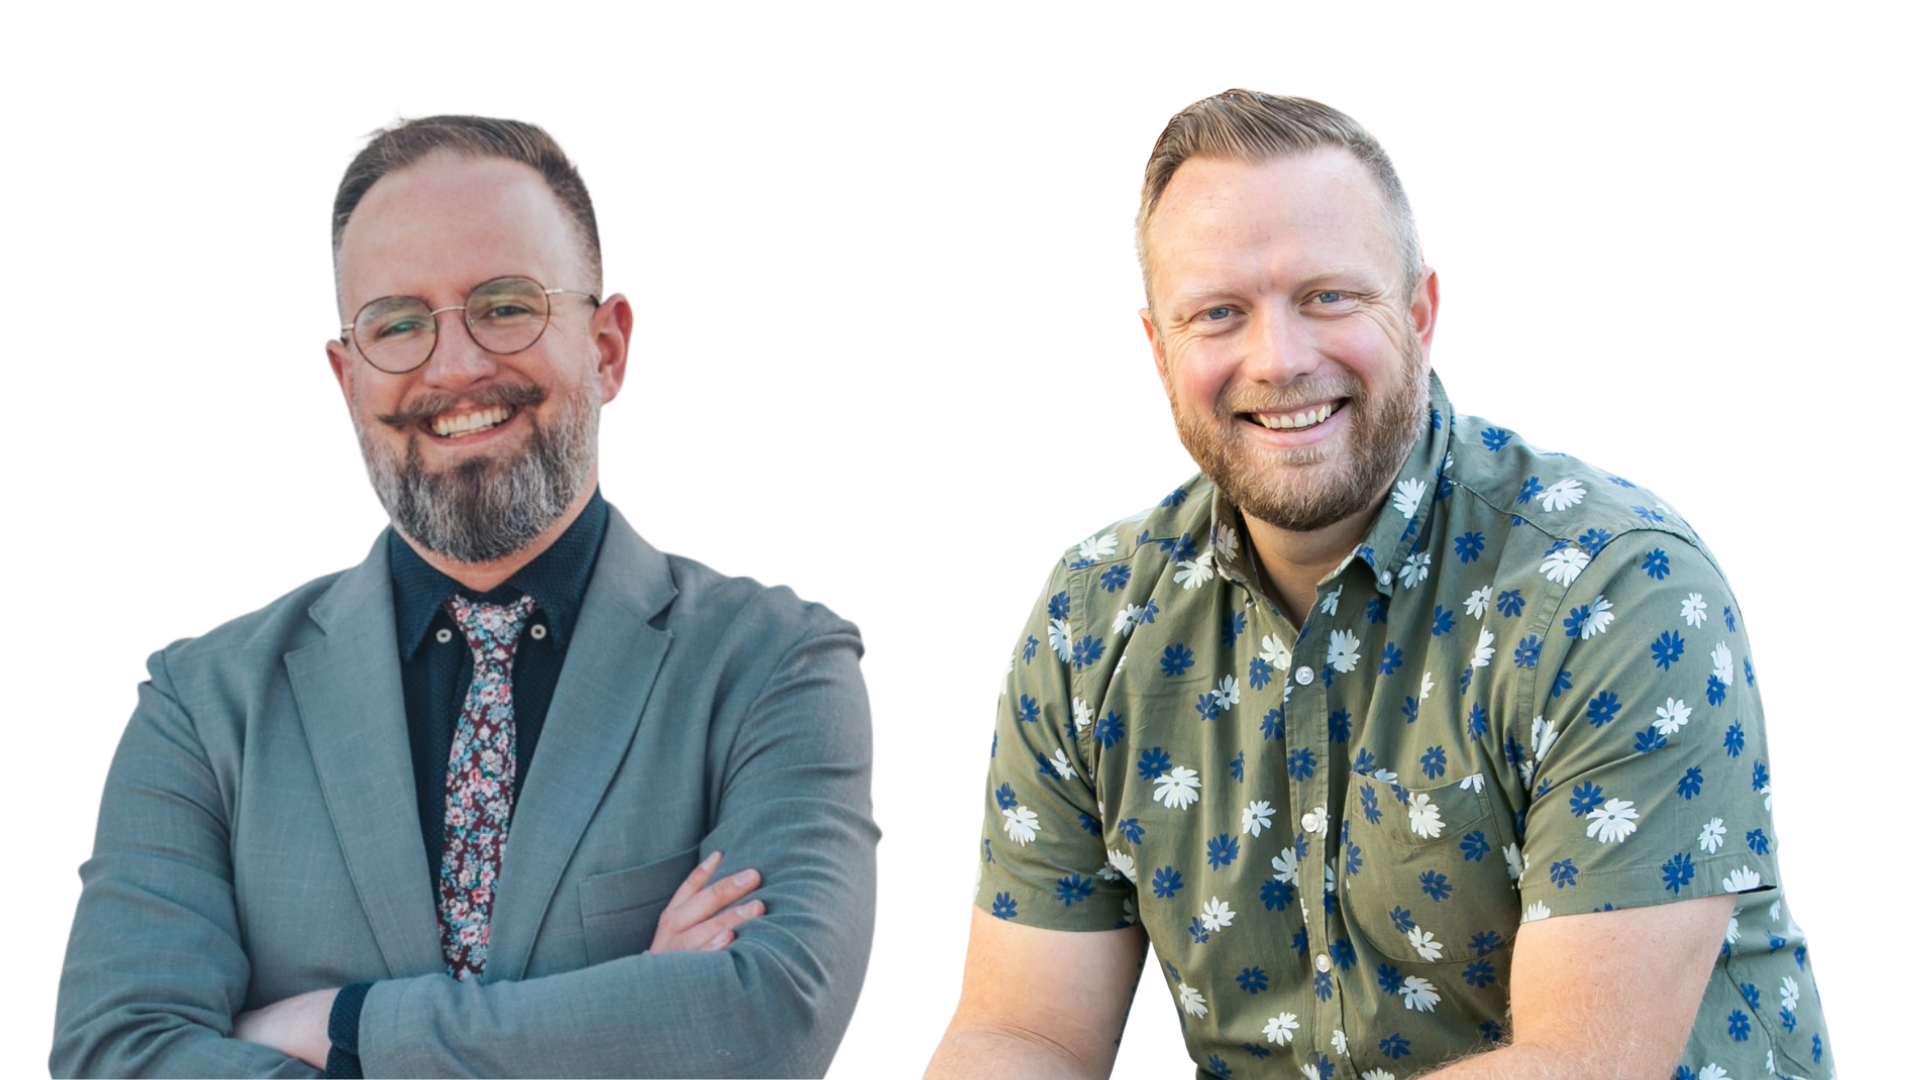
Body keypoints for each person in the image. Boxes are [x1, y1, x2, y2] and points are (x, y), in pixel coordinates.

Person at [924, 89, 1834, 1080]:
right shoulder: (1090, 623)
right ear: (1153, 336)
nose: (1280, 359)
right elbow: (1026, 1033)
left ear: (1423, 312)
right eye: (1218, 312)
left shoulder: (1618, 591)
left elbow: (1579, 1067)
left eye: (1328, 298)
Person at [52, 112, 879, 1079]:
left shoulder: (775, 668)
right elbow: (120, 1055)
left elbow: (766, 1022)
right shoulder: (201, 705)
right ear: (345, 383)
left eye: (505, 304)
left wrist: (347, 1029)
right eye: (398, 324)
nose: (454, 367)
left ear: (608, 349)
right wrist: (629, 1016)